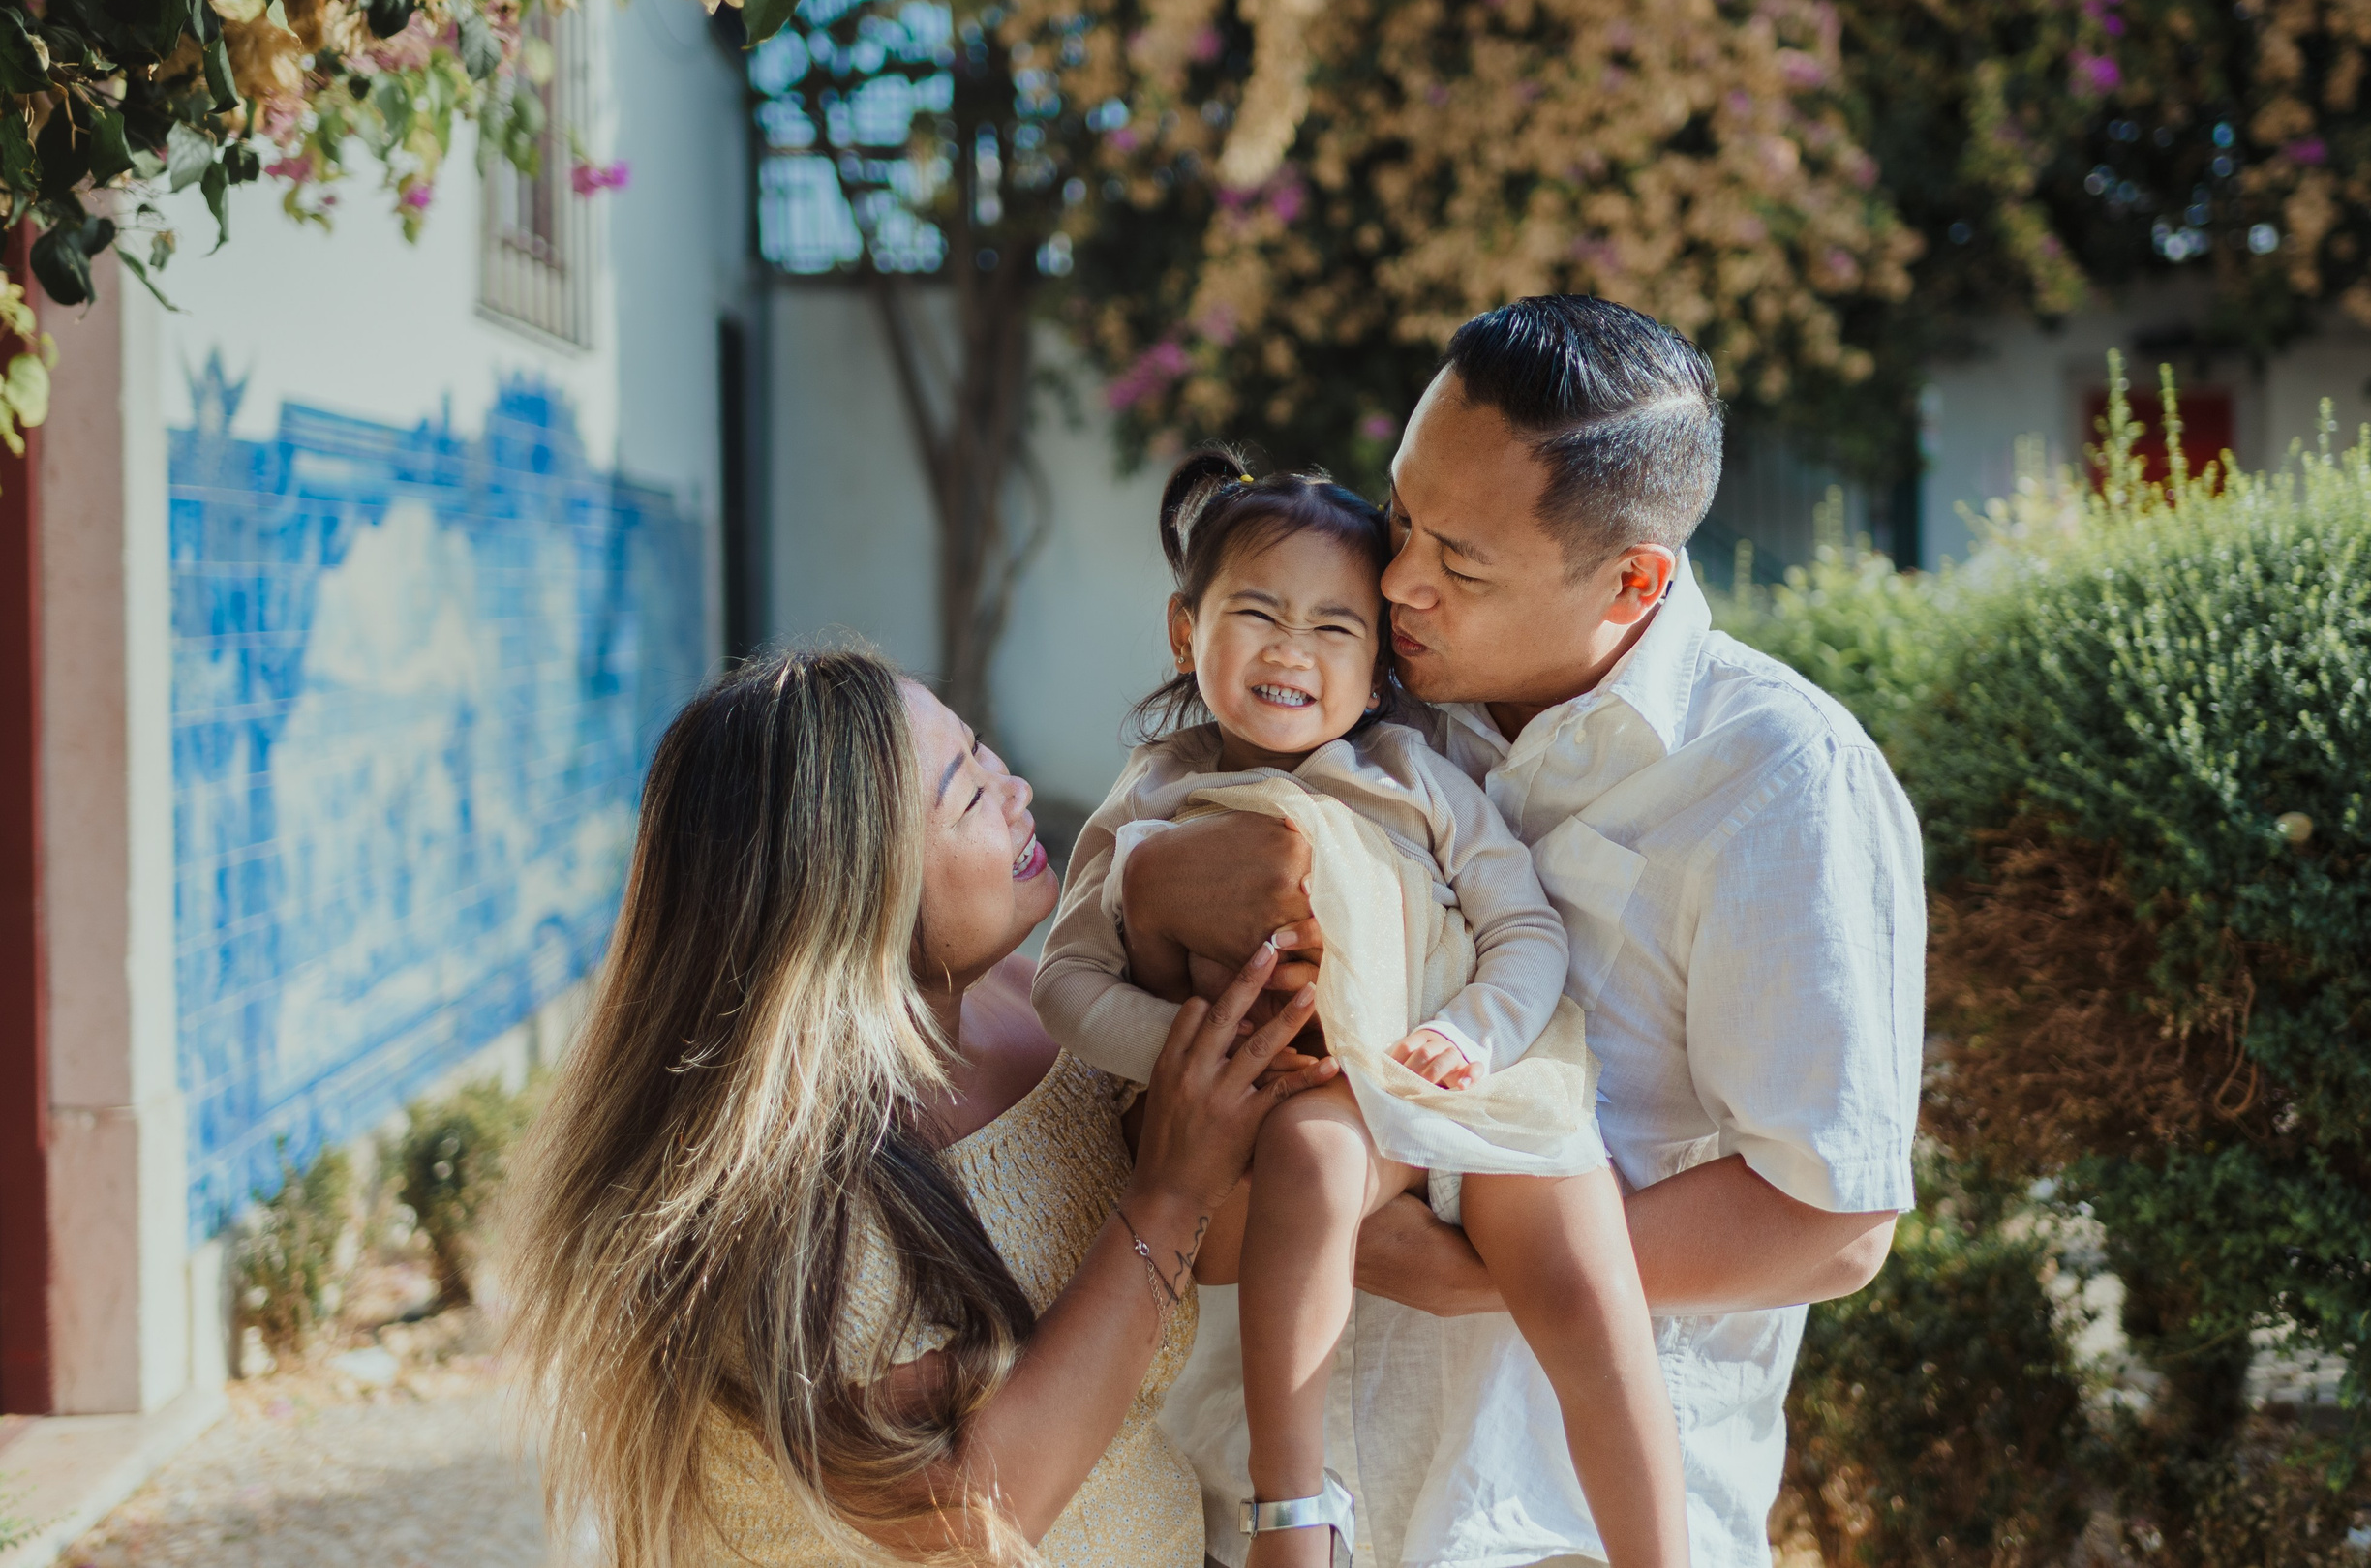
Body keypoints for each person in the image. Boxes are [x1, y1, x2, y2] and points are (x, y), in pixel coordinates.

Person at [1124, 297, 1928, 1567]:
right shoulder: (1351, 704)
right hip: (1262, 1517)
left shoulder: (1775, 777)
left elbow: (1833, 1219)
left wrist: (1468, 1270)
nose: (1393, 583)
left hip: (1552, 1536)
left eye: (1460, 560)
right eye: (1399, 517)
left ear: (1634, 579)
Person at [503, 648, 1337, 1567]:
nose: (1016, 788)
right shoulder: (784, 1210)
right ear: (855, 894)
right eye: (970, 797)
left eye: (984, 754)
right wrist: (1167, 1195)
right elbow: (978, 1517)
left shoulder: (1042, 1004)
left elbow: (1208, 1251)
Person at [1036, 451, 1689, 1568]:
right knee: (1308, 1154)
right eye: (1257, 612)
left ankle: (1659, 1549)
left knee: (1587, 1288)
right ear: (1186, 632)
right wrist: (1199, 1056)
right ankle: (1293, 1511)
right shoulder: (1153, 792)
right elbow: (1067, 979)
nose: (1293, 647)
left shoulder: (1413, 775)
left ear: (1378, 659)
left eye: (1336, 627)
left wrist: (1472, 1030)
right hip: (1326, 1094)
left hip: (1475, 1072)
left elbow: (1521, 930)